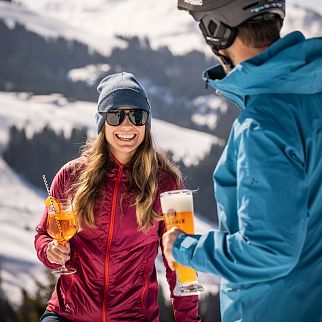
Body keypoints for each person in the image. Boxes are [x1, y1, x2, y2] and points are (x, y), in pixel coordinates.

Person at [163, 1, 322, 321]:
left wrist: (183, 248)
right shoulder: (312, 93)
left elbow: (268, 251)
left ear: (216, 31)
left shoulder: (264, 124)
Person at [35, 72, 201, 322]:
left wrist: (188, 320)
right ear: (102, 123)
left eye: (137, 115)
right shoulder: (70, 175)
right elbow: (43, 235)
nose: (127, 125)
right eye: (116, 115)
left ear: (147, 122)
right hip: (68, 314)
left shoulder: (167, 184)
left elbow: (183, 262)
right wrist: (50, 251)